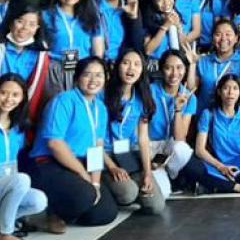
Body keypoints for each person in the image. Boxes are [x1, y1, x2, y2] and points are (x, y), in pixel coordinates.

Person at [30, 58, 118, 229]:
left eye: (99, 75)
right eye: (87, 75)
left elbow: (97, 148)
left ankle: (69, 211)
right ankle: (46, 213)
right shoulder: (64, 100)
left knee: (105, 213)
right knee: (85, 196)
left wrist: (95, 183)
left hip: (80, 163)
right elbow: (55, 144)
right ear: (77, 78)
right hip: (50, 164)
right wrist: (83, 175)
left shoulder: (100, 108)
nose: (93, 80)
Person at [102, 50, 165, 215]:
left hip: (125, 152)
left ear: (142, 70)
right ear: (117, 66)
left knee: (156, 206)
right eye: (126, 63)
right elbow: (93, 139)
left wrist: (147, 173)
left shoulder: (142, 97)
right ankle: (106, 185)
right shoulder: (103, 95)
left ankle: (133, 188)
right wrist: (113, 167)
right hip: (103, 153)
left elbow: (143, 138)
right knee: (127, 193)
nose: (131, 68)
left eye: (137, 64)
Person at [182, 75, 240, 195]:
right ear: (219, 92)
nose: (230, 92)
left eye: (235, 88)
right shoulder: (208, 114)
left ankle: (214, 186)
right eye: (226, 88)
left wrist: (238, 167)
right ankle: (239, 187)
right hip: (215, 165)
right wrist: (221, 167)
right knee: (189, 165)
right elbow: (199, 150)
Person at [0, 75, 48, 240]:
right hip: (7, 183)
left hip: (6, 184)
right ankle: (5, 232)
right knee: (22, 179)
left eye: (15, 95)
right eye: (3, 93)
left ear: (22, 99)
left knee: (38, 200)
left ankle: (4, 223)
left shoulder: (18, 127)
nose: (8, 99)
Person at [42, 0, 104, 93]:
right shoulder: (46, 15)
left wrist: (95, 72)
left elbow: (98, 50)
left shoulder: (92, 15)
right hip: (55, 70)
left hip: (84, 70)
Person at [148, 49, 196, 183]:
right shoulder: (150, 91)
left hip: (170, 145)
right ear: (161, 70)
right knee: (163, 193)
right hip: (151, 145)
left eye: (179, 68)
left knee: (183, 149)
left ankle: (169, 173)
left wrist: (178, 109)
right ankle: (162, 174)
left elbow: (180, 138)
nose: (174, 73)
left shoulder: (190, 97)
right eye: (168, 68)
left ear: (185, 69)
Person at [0, 8, 51, 126]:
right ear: (10, 22)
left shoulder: (41, 56)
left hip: (19, 111)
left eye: (32, 24)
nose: (25, 28)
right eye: (20, 21)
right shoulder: (2, 48)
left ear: (37, 28)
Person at [195, 18, 240, 113]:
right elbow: (192, 90)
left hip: (233, 119)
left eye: (228, 34)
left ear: (236, 38)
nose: (223, 38)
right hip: (204, 116)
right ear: (212, 38)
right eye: (218, 34)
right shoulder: (203, 61)